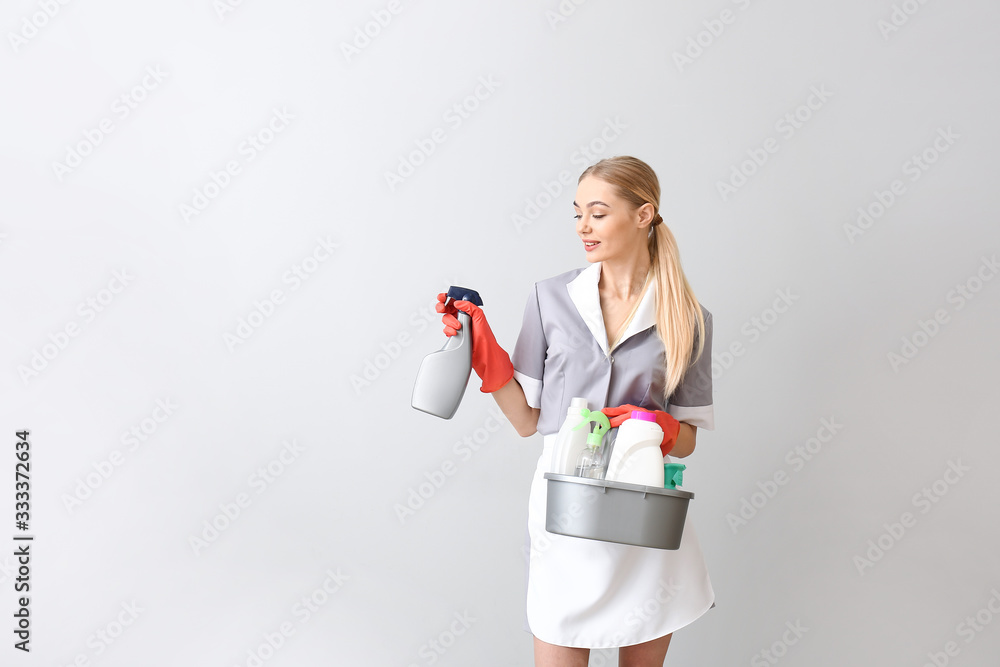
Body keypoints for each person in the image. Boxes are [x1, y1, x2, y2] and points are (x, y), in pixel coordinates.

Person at [436, 155, 715, 667]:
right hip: (564, 510)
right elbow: (526, 420)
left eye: (598, 212)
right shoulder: (550, 298)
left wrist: (651, 423)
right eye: (577, 213)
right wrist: (482, 349)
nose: (583, 227)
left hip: (644, 511)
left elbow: (690, 438)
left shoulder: (687, 316)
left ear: (643, 214)